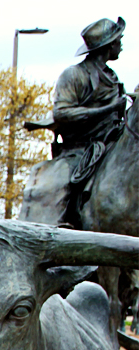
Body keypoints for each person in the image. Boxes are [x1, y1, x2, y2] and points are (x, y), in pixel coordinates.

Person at [49, 17, 127, 226]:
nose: (121, 44)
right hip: (80, 149)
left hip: (110, 144)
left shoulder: (112, 77)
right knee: (68, 183)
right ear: (109, 45)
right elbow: (62, 113)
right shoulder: (74, 75)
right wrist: (110, 108)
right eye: (119, 40)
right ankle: (63, 223)